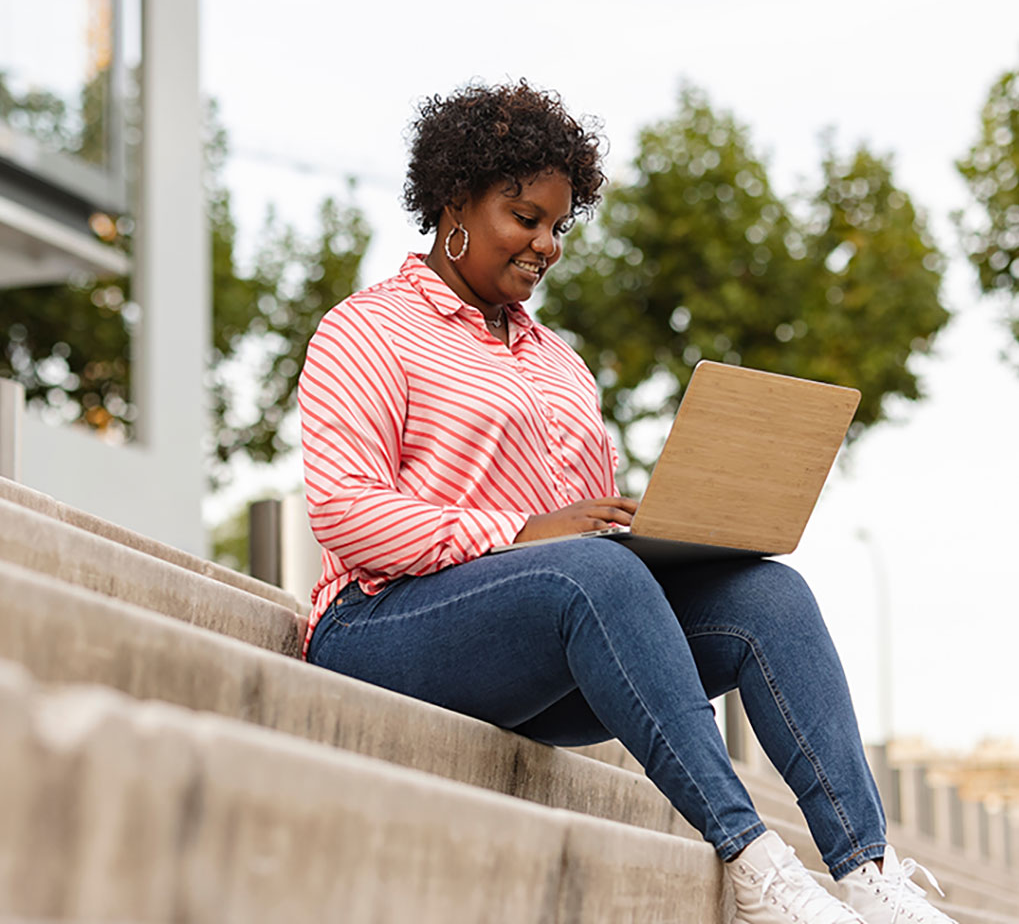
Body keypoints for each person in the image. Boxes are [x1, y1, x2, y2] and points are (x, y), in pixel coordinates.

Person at [298, 80, 956, 924]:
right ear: (453, 201)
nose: (545, 245)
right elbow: (347, 512)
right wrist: (525, 534)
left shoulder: (560, 364)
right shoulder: (366, 329)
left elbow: (582, 526)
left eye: (558, 227)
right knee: (584, 574)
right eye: (523, 217)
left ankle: (869, 874)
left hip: (540, 638)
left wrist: (661, 531)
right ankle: (755, 863)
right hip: (380, 628)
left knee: (768, 596)